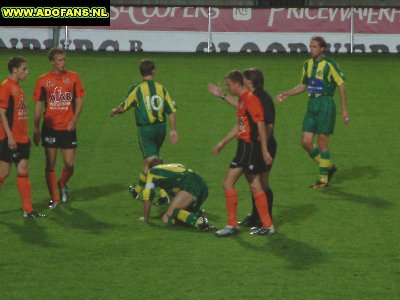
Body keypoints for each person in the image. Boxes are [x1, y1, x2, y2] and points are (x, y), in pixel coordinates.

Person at [275, 36, 349, 189]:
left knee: (322, 142)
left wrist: (344, 110)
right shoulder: (307, 64)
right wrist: (287, 93)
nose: (311, 49)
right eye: (311, 46)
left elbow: (341, 85)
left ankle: (323, 180)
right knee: (306, 142)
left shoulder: (329, 64)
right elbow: (303, 86)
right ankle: (327, 166)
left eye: (315, 46)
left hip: (326, 104)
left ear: (322, 49)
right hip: (312, 105)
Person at [208, 68, 276, 228]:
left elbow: (264, 125)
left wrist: (264, 149)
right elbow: (241, 125)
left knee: (258, 184)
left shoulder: (258, 99)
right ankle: (258, 221)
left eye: (229, 85)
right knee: (254, 185)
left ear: (247, 83)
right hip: (245, 147)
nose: (227, 87)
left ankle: (263, 223)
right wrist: (222, 142)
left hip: (254, 146)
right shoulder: (243, 100)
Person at [110, 59, 178, 204]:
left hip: (146, 130)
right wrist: (173, 130)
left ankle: (164, 193)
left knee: (153, 162)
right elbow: (171, 111)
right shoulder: (161, 88)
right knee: (150, 160)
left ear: (141, 72)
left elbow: (124, 107)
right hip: (161, 129)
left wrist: (114, 111)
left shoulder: (137, 89)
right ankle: (137, 189)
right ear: (153, 71)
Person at [32, 47, 86, 209]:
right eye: (60, 60)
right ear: (52, 62)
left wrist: (74, 120)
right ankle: (54, 198)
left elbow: (79, 100)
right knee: (50, 164)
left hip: (68, 128)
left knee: (69, 164)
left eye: (64, 59)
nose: (63, 62)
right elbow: (38, 105)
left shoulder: (73, 78)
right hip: (50, 128)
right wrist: (35, 127)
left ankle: (62, 183)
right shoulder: (43, 81)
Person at [0, 56, 45, 218]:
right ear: (15, 70)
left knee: (23, 169)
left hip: (22, 139)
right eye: (24, 69)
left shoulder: (18, 87)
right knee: (3, 173)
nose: (27, 72)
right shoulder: (6, 87)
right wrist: (10, 137)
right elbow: (1, 113)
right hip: (9, 138)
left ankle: (28, 210)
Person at [140, 158, 215, 232]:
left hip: (190, 184)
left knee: (170, 212)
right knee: (166, 218)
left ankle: (201, 224)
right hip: (203, 186)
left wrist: (146, 217)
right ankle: (197, 216)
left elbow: (148, 195)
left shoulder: (152, 171)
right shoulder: (174, 167)